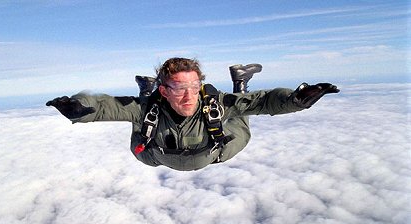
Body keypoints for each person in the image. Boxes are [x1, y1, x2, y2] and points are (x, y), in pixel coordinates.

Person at [46, 57, 339, 171]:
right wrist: (79, 108)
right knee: (138, 120)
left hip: (210, 151)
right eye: (178, 88)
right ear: (165, 91)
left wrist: (297, 99)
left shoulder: (213, 104)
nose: (189, 96)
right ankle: (147, 90)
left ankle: (240, 83)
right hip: (154, 154)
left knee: (240, 117)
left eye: (194, 87)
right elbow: (107, 105)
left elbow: (262, 102)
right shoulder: (150, 109)